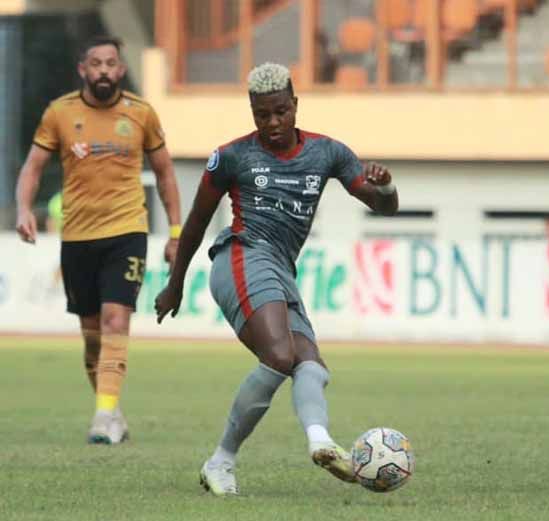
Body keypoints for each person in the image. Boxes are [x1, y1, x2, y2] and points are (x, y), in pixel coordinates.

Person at [154, 62, 399, 496]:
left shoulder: (328, 153)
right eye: (262, 115)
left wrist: (386, 188)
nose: (272, 123)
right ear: (252, 112)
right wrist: (175, 285)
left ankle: (317, 444)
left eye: (281, 112)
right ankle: (225, 462)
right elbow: (195, 224)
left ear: (295, 105)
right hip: (240, 258)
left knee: (311, 367)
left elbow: (382, 206)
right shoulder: (232, 156)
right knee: (282, 354)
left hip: (280, 271)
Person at [15, 35, 183, 445]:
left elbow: (165, 174)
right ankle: (112, 411)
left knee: (115, 319)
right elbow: (33, 168)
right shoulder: (59, 112)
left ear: (121, 70)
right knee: (92, 337)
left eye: (111, 63)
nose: (104, 70)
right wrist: (24, 208)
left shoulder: (141, 113)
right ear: (83, 69)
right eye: (96, 63)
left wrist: (176, 232)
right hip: (77, 237)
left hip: (126, 232)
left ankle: (103, 416)